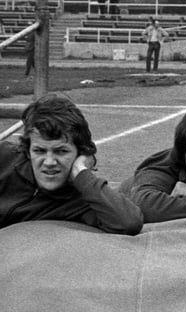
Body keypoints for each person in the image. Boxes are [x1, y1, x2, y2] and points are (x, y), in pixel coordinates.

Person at [0, 95, 142, 234]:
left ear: (79, 153)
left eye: (61, 151)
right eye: (39, 151)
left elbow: (129, 222)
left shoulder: (82, 198)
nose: (49, 162)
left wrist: (81, 173)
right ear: (28, 151)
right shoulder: (5, 158)